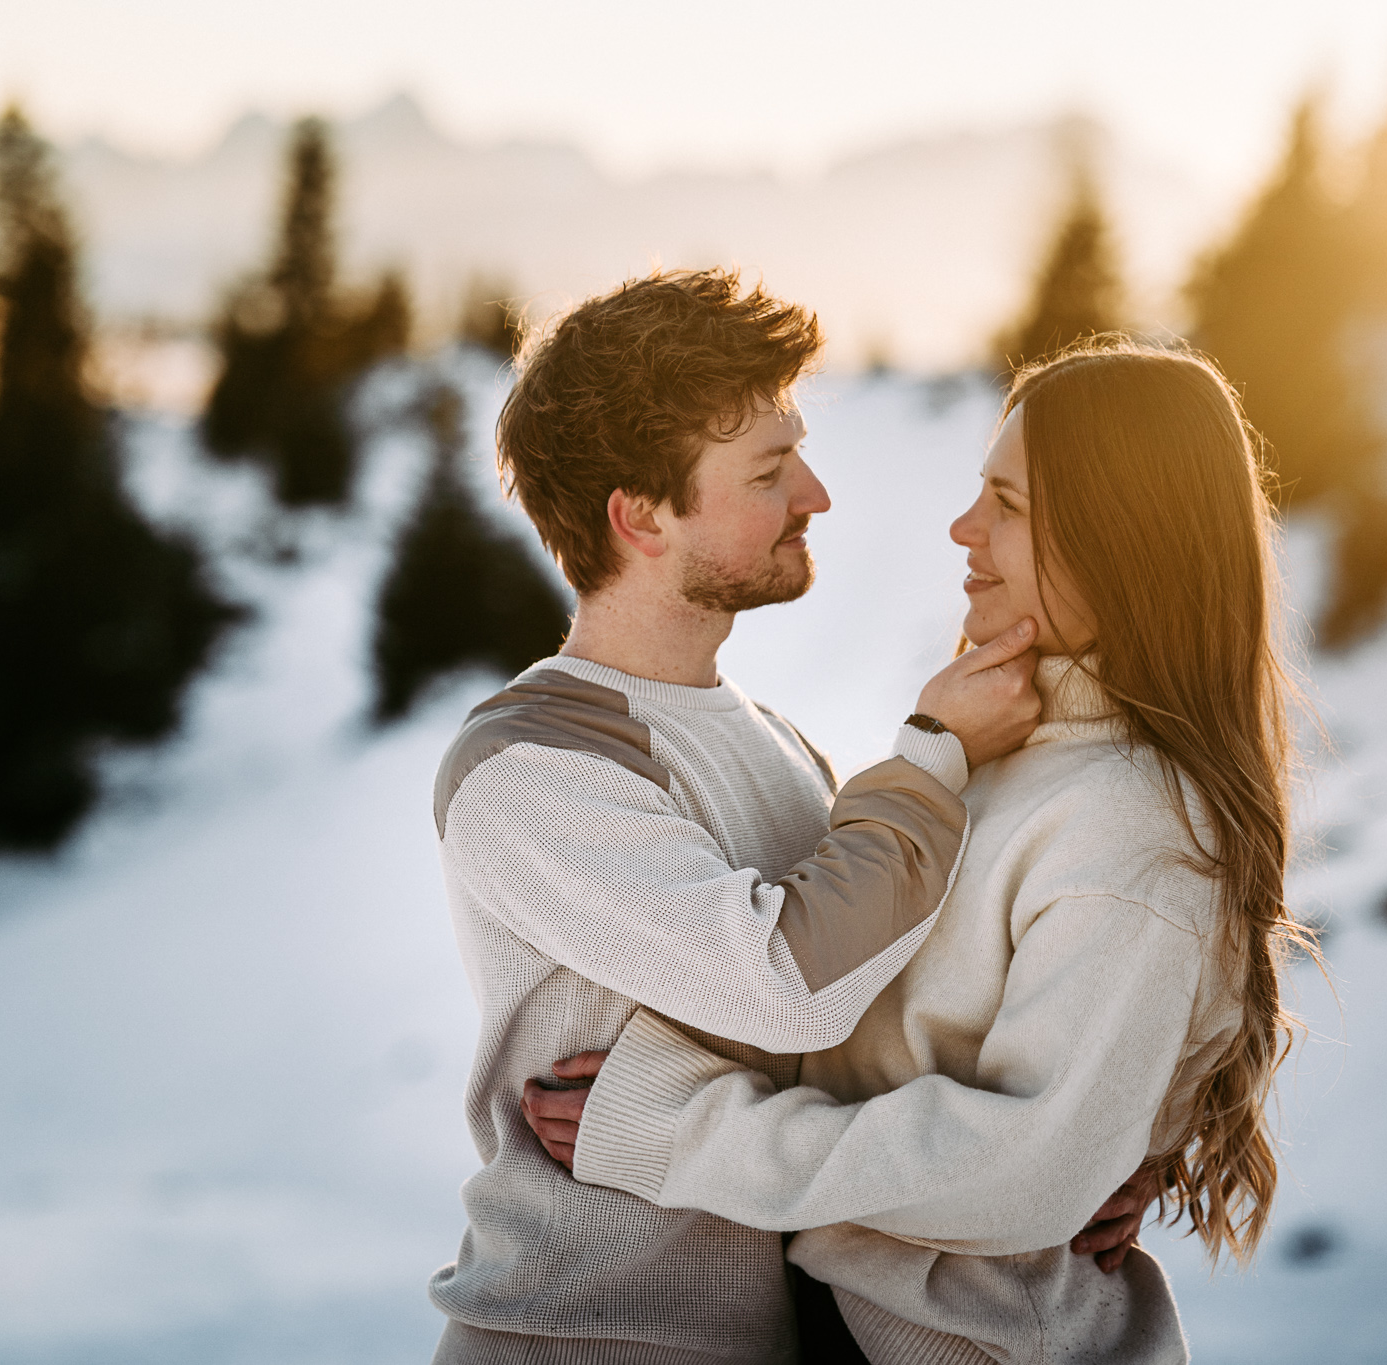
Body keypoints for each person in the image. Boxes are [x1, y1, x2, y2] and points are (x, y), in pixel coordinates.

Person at [523, 342, 1314, 1364]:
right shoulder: (1005, 759)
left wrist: (677, 1132)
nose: (963, 529)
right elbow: (886, 1047)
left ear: (1120, 535)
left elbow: (1020, 1167)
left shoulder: (1133, 825)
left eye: (1007, 503)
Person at [424, 267, 1057, 1364]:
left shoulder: (772, 741)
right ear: (641, 518)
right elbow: (786, 985)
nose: (813, 494)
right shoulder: (528, 768)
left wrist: (1054, 1171)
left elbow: (884, 1025)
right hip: (581, 1338)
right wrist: (936, 754)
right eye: (769, 471)